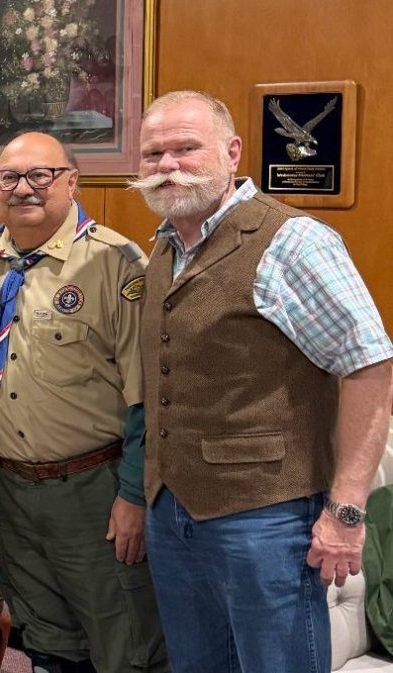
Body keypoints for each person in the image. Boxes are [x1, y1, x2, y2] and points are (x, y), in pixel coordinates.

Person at [132, 90, 393, 673]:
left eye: (185, 149)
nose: (167, 166)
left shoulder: (292, 241)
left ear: (232, 152)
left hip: (267, 518)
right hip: (172, 509)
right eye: (153, 155)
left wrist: (346, 511)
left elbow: (370, 366)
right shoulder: (166, 247)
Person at [0, 131, 167, 672]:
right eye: (8, 177)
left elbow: (148, 395)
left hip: (93, 492)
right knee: (46, 639)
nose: (23, 189)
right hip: (11, 488)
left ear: (72, 181)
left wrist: (133, 496)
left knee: (124, 643)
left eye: (40, 175)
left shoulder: (117, 265)